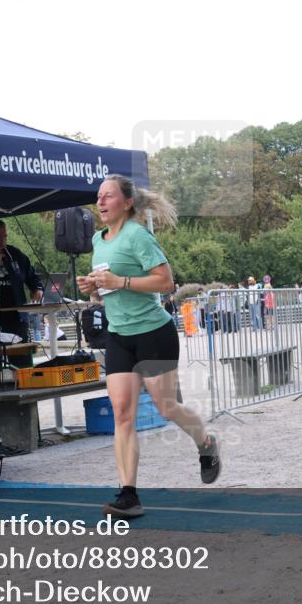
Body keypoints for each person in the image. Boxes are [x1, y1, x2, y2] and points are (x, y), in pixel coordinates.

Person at [76, 175, 220, 519]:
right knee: (122, 413)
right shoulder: (99, 239)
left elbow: (166, 282)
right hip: (119, 336)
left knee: (167, 407)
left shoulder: (139, 236)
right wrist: (94, 288)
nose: (100, 202)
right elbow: (109, 288)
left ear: (126, 203)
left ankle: (207, 444)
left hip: (154, 333)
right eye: (98, 196)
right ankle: (129, 494)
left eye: (108, 196)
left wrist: (120, 281)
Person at [0, 219, 43, 343]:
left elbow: (32, 276)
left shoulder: (15, 254)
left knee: (22, 357)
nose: (2, 240)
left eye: (5, 236)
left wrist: (37, 288)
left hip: (17, 317)